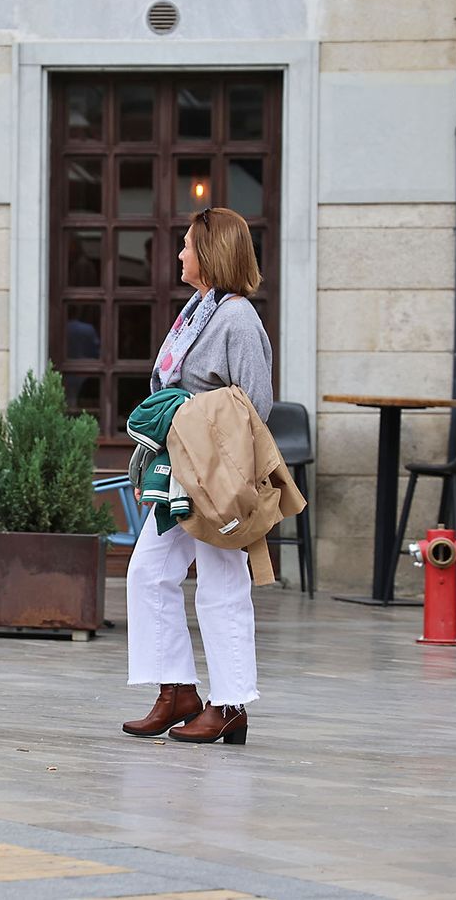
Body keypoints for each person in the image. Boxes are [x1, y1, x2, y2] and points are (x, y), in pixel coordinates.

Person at [123, 207, 272, 746]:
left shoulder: (236, 319)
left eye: (187, 245)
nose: (180, 254)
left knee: (222, 585)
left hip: (217, 477)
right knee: (147, 574)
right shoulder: (198, 312)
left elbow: (256, 405)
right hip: (181, 472)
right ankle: (178, 692)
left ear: (210, 254)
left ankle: (230, 705)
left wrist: (198, 420)